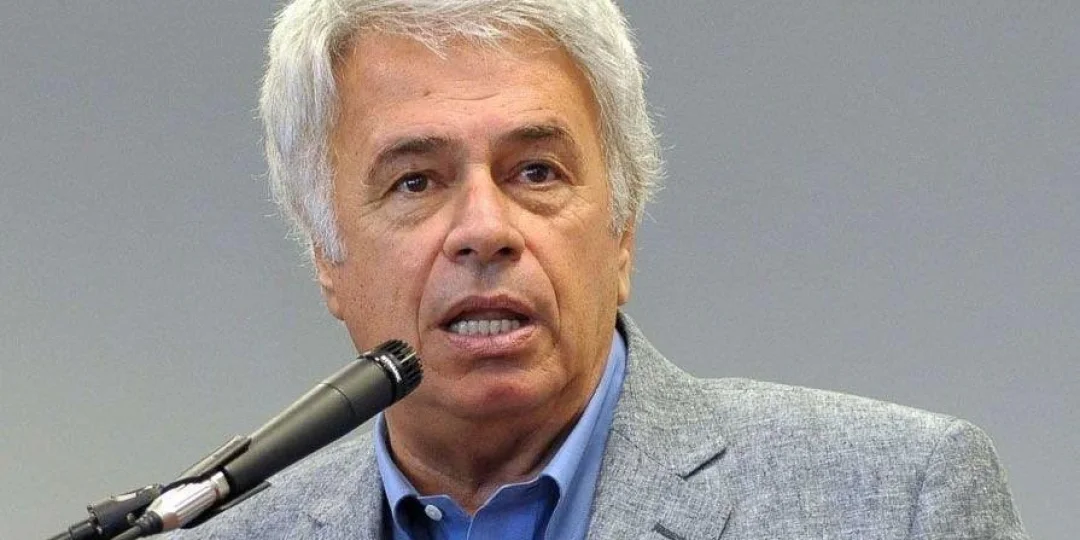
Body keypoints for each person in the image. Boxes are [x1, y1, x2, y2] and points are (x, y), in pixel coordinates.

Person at [173, 0, 1028, 538]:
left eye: (535, 171)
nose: (484, 231)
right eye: (416, 182)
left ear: (623, 230)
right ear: (326, 256)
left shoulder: (897, 500)